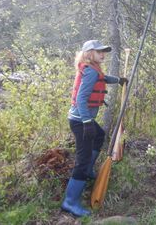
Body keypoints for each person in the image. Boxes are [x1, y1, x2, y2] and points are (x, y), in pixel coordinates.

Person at [61, 40, 127, 217]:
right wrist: (87, 122)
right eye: (99, 52)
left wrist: (118, 80)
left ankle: (89, 170)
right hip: (80, 121)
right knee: (81, 160)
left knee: (99, 136)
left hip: (83, 119)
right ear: (89, 53)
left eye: (104, 52)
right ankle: (70, 201)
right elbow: (82, 99)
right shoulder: (90, 72)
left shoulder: (92, 69)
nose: (103, 54)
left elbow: (103, 78)